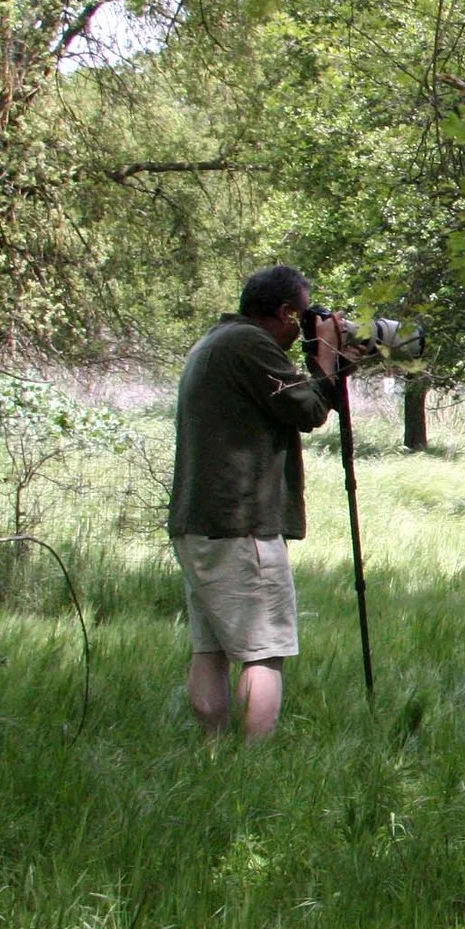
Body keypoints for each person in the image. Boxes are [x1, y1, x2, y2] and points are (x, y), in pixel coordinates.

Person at [168, 265, 345, 741]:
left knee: (211, 649)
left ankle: (213, 756)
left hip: (200, 521)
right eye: (304, 317)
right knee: (264, 652)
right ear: (286, 312)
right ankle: (254, 763)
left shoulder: (217, 340)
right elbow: (307, 409)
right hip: (240, 522)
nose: (306, 326)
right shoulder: (250, 345)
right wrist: (327, 357)